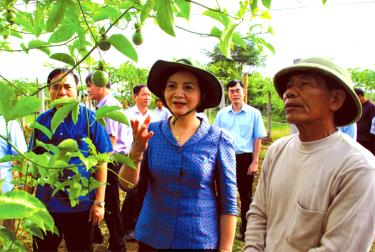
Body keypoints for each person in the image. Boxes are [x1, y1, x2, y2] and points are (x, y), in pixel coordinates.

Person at [244, 57, 375, 251]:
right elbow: (258, 213)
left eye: (304, 84)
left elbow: (339, 247)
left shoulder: (358, 167)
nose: (290, 93)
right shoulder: (277, 151)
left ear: (335, 99)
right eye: (288, 86)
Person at [119, 59, 238, 251]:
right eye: (171, 86)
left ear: (201, 96)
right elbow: (126, 185)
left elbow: (229, 202)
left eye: (188, 87)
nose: (178, 93)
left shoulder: (218, 139)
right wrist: (135, 152)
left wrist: (225, 249)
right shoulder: (151, 132)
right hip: (152, 237)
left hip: (198, 240)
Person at [31, 68, 112, 251]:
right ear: (49, 91)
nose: (62, 92)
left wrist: (99, 202)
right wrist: (30, 201)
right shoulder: (41, 121)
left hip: (81, 205)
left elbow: (102, 160)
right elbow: (33, 162)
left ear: (77, 89)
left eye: (67, 86)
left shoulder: (90, 119)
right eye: (55, 87)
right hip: (46, 204)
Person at [213, 80, 266, 241]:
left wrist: (255, 161)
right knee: (223, 194)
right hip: (225, 158)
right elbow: (216, 136)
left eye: (237, 91)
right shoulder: (222, 114)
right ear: (228, 94)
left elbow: (258, 138)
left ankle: (245, 231)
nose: (234, 94)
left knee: (245, 196)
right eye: (231, 91)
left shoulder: (254, 113)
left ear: (244, 92)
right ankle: (221, 230)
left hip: (244, 159)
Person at [86, 74, 131, 251]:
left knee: (111, 204)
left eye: (89, 85)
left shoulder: (109, 106)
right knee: (109, 203)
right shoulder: (103, 105)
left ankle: (118, 244)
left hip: (109, 161)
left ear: (100, 85)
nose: (88, 89)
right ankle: (102, 236)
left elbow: (110, 140)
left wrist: (96, 164)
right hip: (107, 160)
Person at [121, 84, 158, 241]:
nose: (147, 98)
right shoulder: (126, 115)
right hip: (132, 158)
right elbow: (123, 137)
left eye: (149, 95)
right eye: (144, 94)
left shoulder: (155, 116)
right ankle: (125, 226)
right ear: (135, 96)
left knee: (143, 192)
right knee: (132, 192)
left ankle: (136, 225)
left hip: (149, 158)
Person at [0, 116, 27, 232]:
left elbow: (21, 156)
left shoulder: (9, 122)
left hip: (4, 188)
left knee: (8, 233)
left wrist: (22, 185)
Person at [354, 88, 375, 154]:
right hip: (357, 138)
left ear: (360, 96)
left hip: (366, 140)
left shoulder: (371, 107)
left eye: (355, 97)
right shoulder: (358, 107)